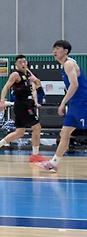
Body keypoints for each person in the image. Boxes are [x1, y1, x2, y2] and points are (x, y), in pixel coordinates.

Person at [37, 40, 87, 173]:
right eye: (54, 48)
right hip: (75, 104)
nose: (55, 51)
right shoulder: (64, 66)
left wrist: (63, 102)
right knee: (64, 133)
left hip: (83, 103)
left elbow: (74, 85)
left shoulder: (69, 64)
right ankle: (53, 164)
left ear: (66, 51)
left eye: (58, 48)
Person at [0, 55, 42, 161]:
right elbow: (6, 87)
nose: (23, 64)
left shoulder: (29, 75)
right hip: (22, 105)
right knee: (37, 127)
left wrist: (36, 81)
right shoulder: (16, 74)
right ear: (16, 64)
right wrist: (2, 101)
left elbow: (37, 87)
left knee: (20, 132)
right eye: (20, 62)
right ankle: (35, 155)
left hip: (28, 104)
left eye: (24, 62)